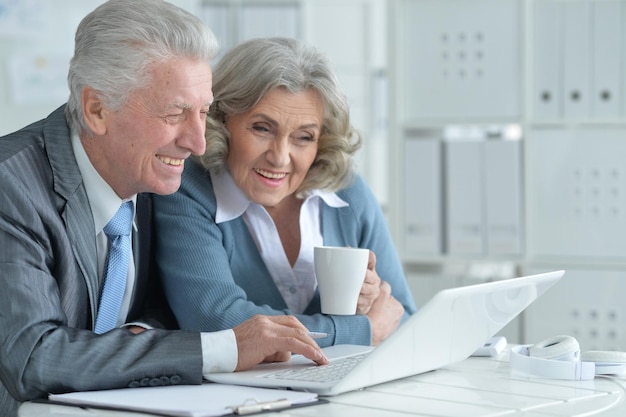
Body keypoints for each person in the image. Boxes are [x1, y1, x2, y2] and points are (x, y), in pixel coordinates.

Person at [0, 4, 328, 416]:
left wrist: (143, 337)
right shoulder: (10, 186)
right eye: (174, 114)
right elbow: (34, 357)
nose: (197, 143)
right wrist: (222, 348)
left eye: (203, 113)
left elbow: (163, 309)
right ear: (96, 109)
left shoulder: (153, 177)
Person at [153, 37, 417, 348]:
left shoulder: (347, 193)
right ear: (221, 120)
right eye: (262, 129)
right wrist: (359, 329)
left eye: (304, 137)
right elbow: (218, 322)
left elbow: (402, 317)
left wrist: (366, 307)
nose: (280, 157)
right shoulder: (187, 190)